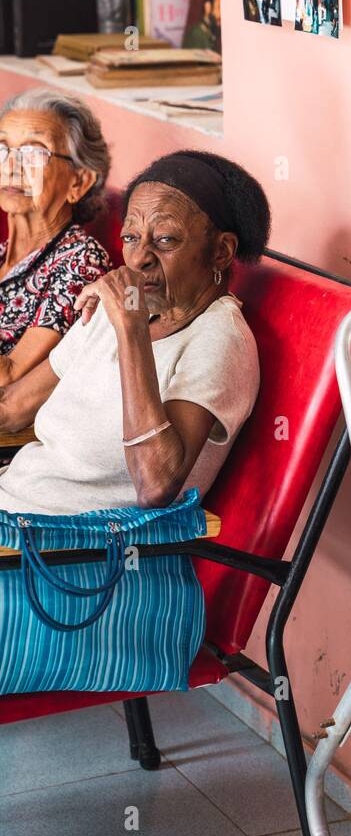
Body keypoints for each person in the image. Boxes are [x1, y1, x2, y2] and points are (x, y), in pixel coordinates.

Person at [0, 150, 269, 517]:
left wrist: (131, 329)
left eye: (166, 241)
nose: (139, 258)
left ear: (221, 252)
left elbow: (155, 484)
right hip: (13, 507)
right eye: (130, 237)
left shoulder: (218, 339)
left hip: (76, 549)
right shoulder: (117, 306)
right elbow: (13, 409)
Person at [0, 91, 111, 386]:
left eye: (33, 154)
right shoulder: (3, 253)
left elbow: (10, 374)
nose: (11, 167)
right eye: (3, 149)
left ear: (79, 181)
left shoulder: (81, 262)